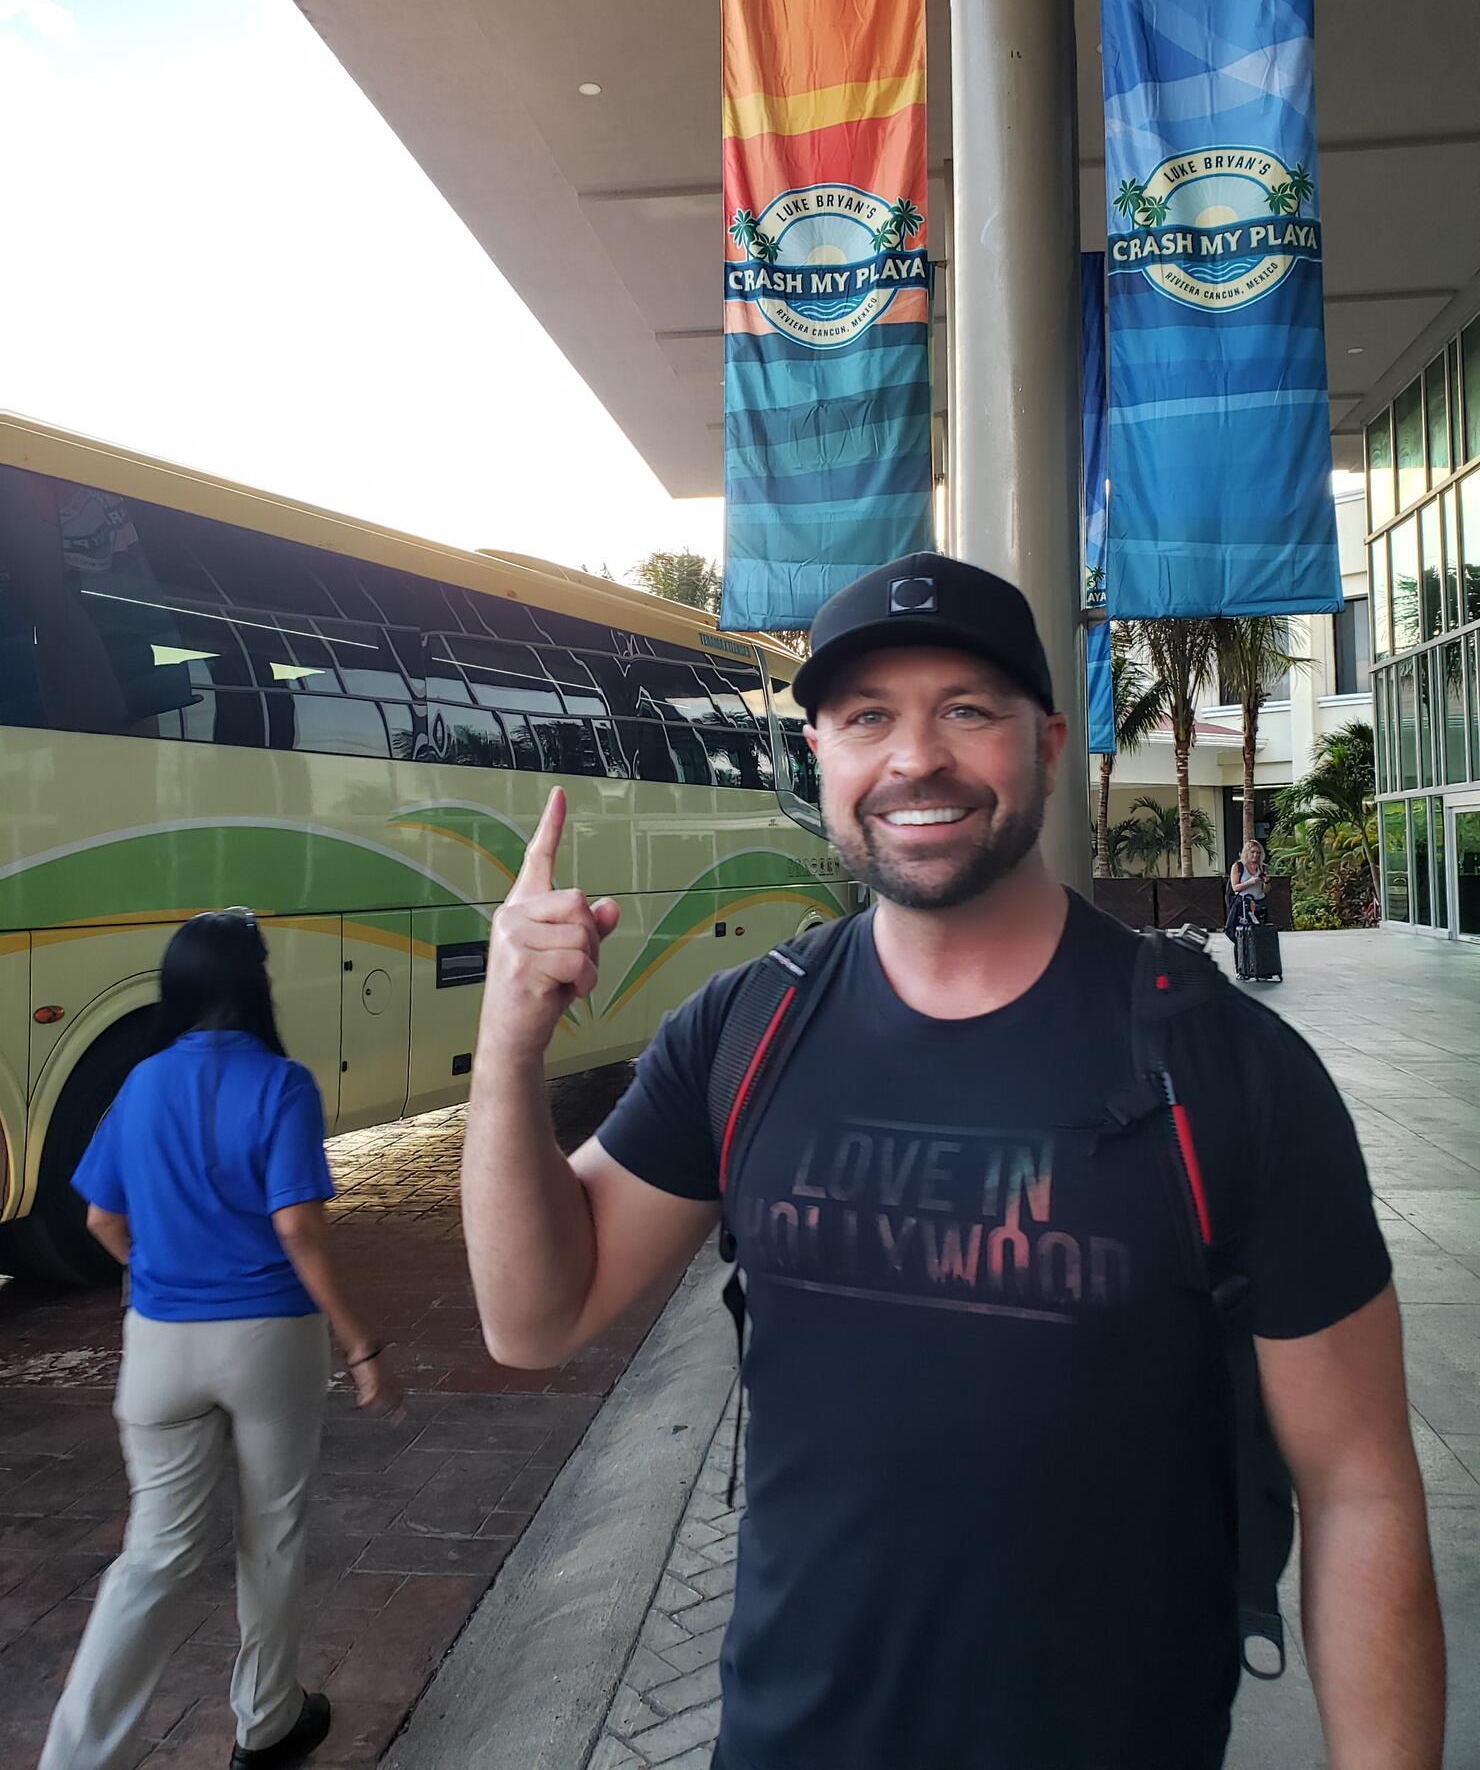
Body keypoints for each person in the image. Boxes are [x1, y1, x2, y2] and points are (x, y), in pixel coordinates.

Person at [462, 555, 1445, 1770]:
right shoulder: (745, 1032)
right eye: (868, 716)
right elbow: (532, 1320)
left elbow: (1359, 1489)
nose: (913, 757)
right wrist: (506, 1053)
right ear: (818, 753)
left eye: (965, 710)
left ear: (1045, 741)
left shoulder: (1224, 1066)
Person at [41, 910, 401, 1770]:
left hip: (161, 1348)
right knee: (269, 1534)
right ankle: (268, 1724)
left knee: (154, 1557)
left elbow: (100, 1217)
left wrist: (149, 1270)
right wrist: (362, 1346)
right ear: (254, 984)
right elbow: (299, 1233)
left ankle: (76, 1757)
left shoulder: (139, 1083)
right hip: (268, 1342)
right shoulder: (282, 1084)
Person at [1226, 837, 1269, 942]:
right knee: (1239, 933)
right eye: (1252, 852)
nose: (1255, 855)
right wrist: (1250, 882)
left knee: (1259, 935)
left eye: (1258, 853)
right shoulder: (1238, 866)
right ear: (1247, 853)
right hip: (1243, 904)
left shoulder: (1262, 867)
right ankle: (1241, 955)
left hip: (1258, 903)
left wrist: (1266, 881)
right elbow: (1235, 887)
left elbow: (1266, 891)